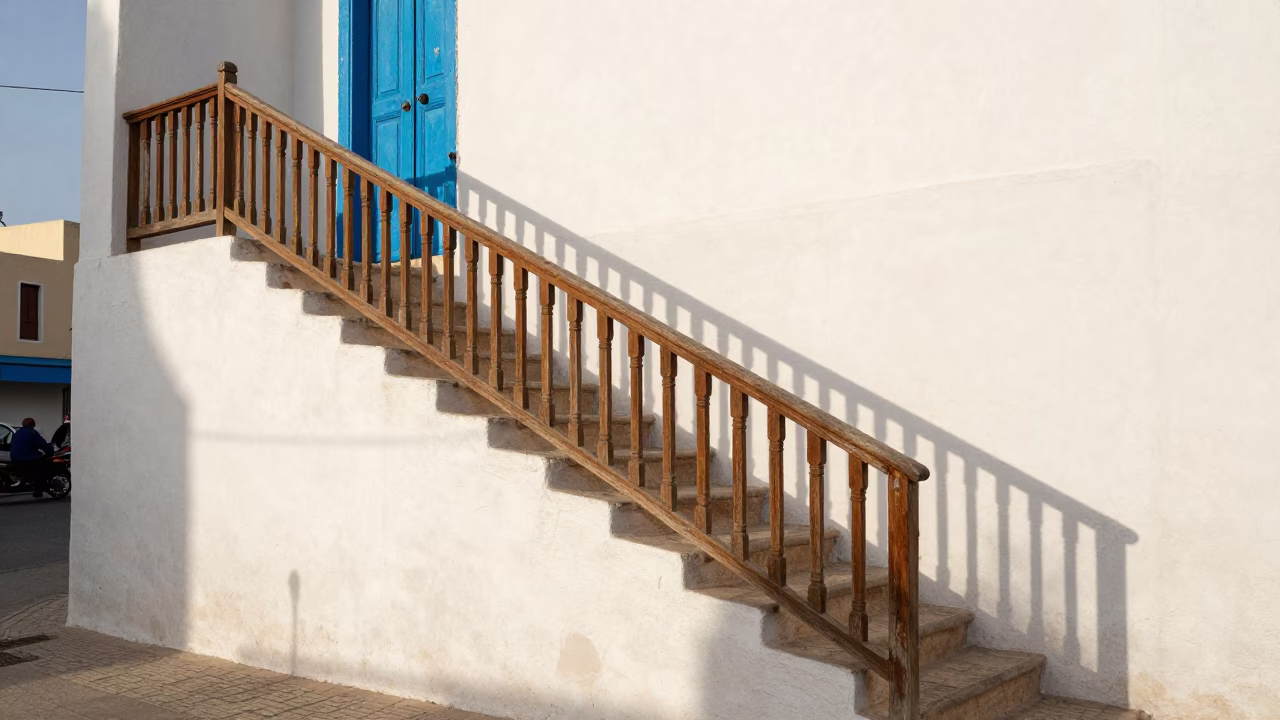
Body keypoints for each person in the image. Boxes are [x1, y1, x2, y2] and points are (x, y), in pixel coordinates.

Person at [11, 418, 55, 498]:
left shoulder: (17, 432)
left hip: (15, 459)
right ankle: (39, 490)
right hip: (28, 459)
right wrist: (50, 450)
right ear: (33, 425)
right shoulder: (32, 432)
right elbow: (41, 443)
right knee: (40, 470)